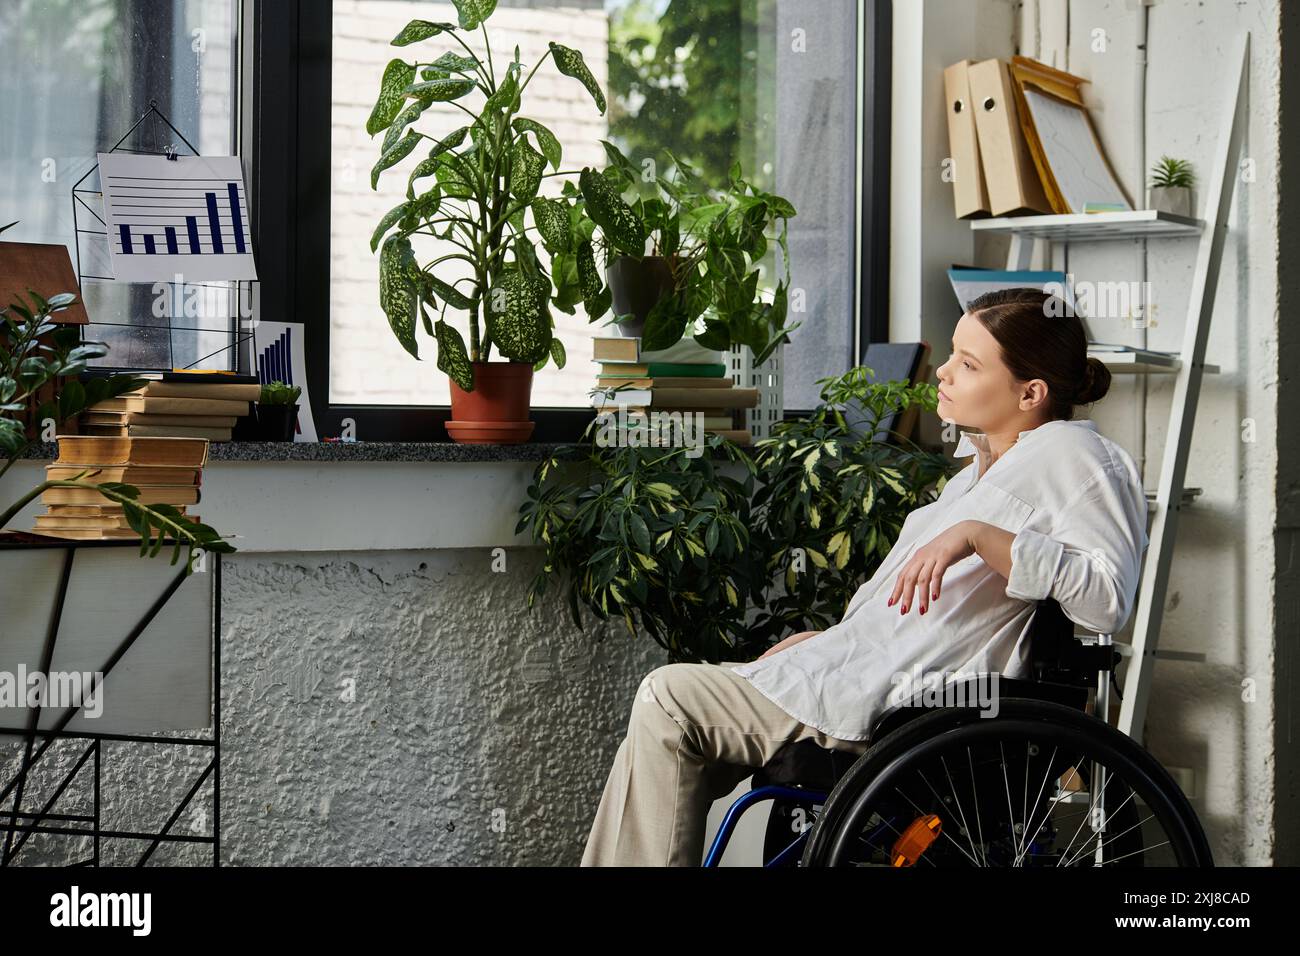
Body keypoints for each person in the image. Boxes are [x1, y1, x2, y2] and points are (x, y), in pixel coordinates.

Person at [579, 287, 1150, 867]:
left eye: (969, 364)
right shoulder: (975, 472)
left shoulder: (1078, 458)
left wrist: (980, 534)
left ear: (1031, 392)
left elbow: (1107, 601)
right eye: (952, 353)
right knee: (673, 730)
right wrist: (829, 640)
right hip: (864, 679)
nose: (944, 373)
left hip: (909, 711)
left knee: (669, 698)